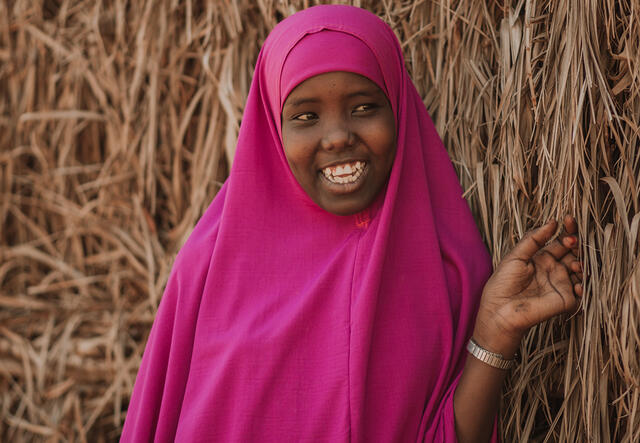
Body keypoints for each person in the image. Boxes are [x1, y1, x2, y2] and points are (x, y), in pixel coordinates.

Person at [121, 5, 583, 442]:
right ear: (272, 128)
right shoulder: (208, 267)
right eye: (305, 116)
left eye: (364, 107)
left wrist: (495, 334)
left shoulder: (451, 270)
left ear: (399, 110)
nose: (338, 135)